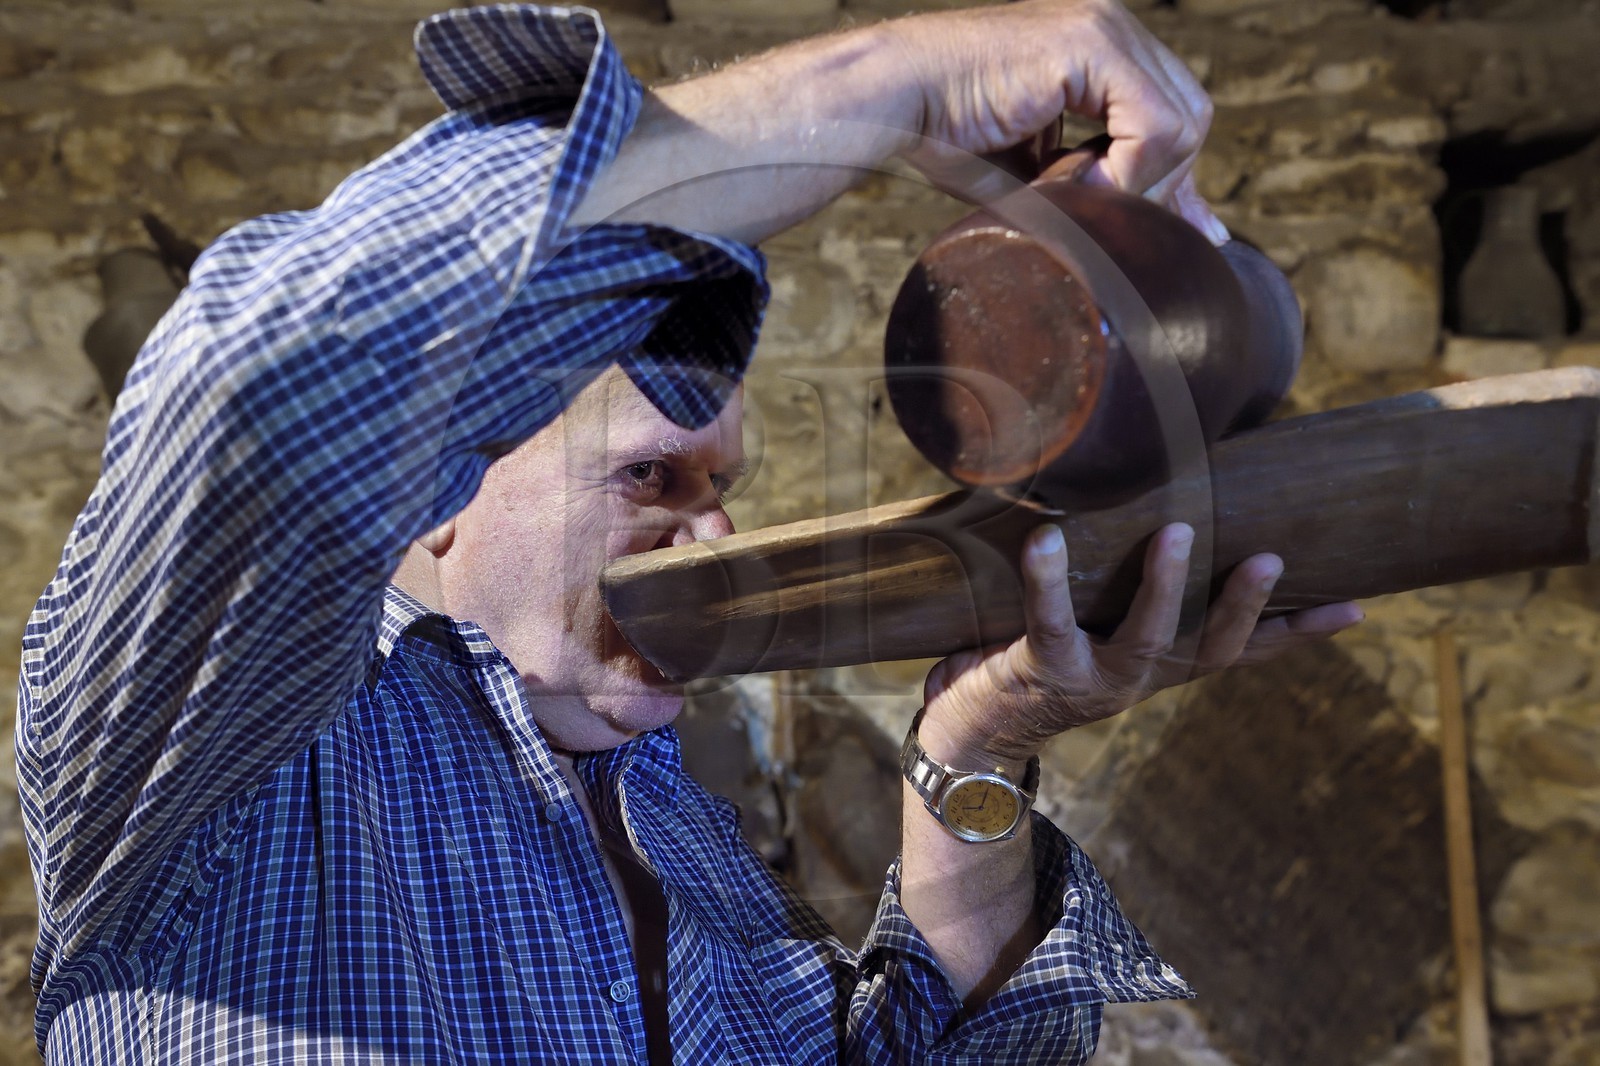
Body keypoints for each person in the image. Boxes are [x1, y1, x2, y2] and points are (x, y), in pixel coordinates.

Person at [16, 1, 1363, 1062]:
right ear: (435, 488)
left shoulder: (689, 835)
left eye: (721, 482)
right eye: (652, 477)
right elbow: (275, 378)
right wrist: (901, 87)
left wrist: (978, 746)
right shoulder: (228, 758)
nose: (713, 524)